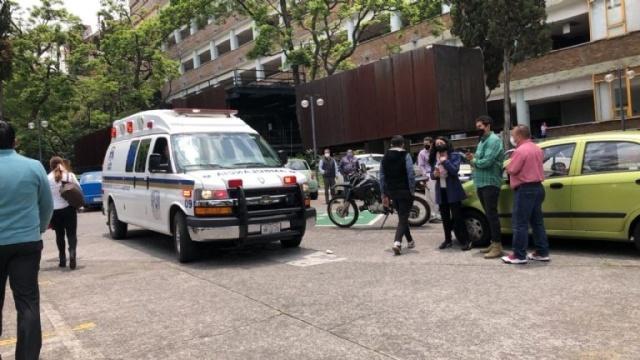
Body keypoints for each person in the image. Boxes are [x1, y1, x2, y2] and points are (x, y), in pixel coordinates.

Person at [0, 120, 53, 360]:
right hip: (26, 243)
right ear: (15, 141)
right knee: (27, 302)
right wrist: (38, 229)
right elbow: (46, 206)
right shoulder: (33, 167)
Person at [502, 125, 550, 264]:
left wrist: (507, 166)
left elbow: (513, 169)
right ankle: (542, 252)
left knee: (520, 223)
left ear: (519, 136)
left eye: (513, 134)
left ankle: (519, 255)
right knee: (537, 222)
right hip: (538, 187)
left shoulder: (520, 150)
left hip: (525, 189)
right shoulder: (537, 148)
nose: (512, 137)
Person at [466, 116, 505, 259]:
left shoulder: (494, 140)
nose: (478, 129)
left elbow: (486, 162)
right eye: (477, 127)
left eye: (480, 127)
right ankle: (493, 242)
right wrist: (473, 159)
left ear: (488, 126)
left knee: (492, 215)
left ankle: (497, 246)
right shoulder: (482, 141)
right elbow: (479, 161)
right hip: (481, 182)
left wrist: (473, 161)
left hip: (490, 182)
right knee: (488, 214)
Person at [430, 137, 472, 251]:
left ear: (446, 143)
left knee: (458, 217)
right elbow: (432, 175)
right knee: (445, 218)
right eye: (437, 143)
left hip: (453, 191)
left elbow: (454, 170)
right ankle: (448, 240)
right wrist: (434, 174)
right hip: (441, 191)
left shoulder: (454, 155)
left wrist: (444, 161)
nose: (438, 144)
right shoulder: (435, 157)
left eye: (441, 142)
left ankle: (465, 241)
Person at [379, 135, 416, 255]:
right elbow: (410, 173)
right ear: (402, 144)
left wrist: (384, 193)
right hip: (405, 190)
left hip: (392, 191)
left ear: (391, 145)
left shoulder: (384, 157)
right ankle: (397, 243)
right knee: (403, 217)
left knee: (402, 217)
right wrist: (412, 190)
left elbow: (382, 177)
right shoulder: (405, 155)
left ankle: (410, 240)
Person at [48, 156, 81, 270]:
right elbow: (79, 189)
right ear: (62, 163)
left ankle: (62, 258)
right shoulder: (69, 175)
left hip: (55, 211)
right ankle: (72, 253)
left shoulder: (48, 178)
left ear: (51, 166)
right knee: (71, 234)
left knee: (59, 235)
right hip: (69, 209)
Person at [417, 137, 441, 223]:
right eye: (424, 143)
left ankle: (436, 214)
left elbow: (439, 161)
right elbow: (421, 165)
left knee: (435, 195)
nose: (425, 145)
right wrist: (425, 175)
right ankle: (432, 214)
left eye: (427, 143)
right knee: (429, 195)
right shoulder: (422, 153)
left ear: (431, 143)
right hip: (428, 175)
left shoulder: (436, 151)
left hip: (437, 174)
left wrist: (437, 170)